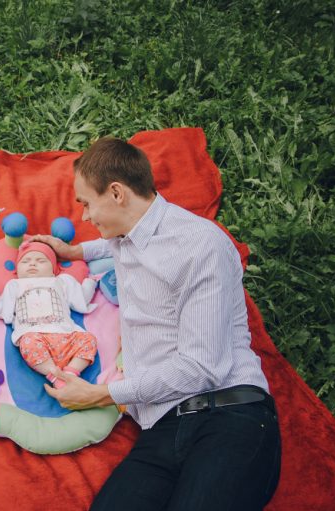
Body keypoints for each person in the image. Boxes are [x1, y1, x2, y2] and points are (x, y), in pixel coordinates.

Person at [32, 137, 281, 511]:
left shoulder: (199, 247)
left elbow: (202, 368)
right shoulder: (124, 234)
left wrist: (99, 394)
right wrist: (74, 251)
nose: (83, 217)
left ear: (116, 193)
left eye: (85, 203)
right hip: (162, 428)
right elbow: (112, 244)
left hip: (228, 414)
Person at [0, 241, 98, 388]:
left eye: (40, 260)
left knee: (89, 339)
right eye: (25, 261)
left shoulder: (61, 281)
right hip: (35, 335)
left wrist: (89, 284)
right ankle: (54, 376)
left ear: (53, 270)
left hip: (67, 334)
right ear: (17, 271)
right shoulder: (14, 285)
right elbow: (3, 310)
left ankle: (71, 373)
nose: (32, 264)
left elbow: (80, 300)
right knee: (28, 343)